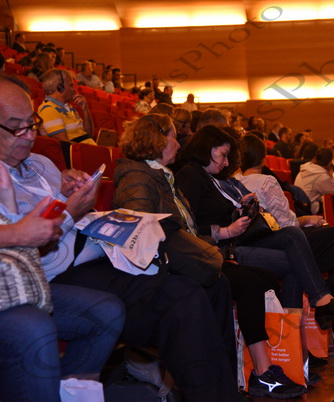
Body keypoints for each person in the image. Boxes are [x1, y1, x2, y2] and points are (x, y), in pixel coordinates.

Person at [1, 74, 239, 401]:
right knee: (182, 297)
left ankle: (220, 391)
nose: (30, 135)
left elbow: (63, 210)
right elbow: (31, 251)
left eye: (32, 124)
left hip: (97, 252)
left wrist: (67, 191)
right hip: (57, 272)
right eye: (17, 127)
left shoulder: (40, 164)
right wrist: (71, 212)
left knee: (200, 289)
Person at [112, 115, 306, 398]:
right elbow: (145, 234)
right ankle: (237, 378)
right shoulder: (139, 177)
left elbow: (182, 231)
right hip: (166, 268)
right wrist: (212, 249)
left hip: (186, 257)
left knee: (243, 280)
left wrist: (208, 250)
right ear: (157, 139)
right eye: (173, 137)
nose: (179, 144)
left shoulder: (161, 176)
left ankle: (230, 379)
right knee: (234, 282)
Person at [176, 125, 334, 326]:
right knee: (296, 260)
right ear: (208, 149)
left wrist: (242, 206)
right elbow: (188, 225)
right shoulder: (191, 175)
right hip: (224, 247)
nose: (227, 162)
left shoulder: (214, 178)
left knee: (292, 234)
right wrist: (226, 230)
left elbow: (219, 212)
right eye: (223, 155)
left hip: (241, 238)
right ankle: (305, 320)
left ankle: (314, 311)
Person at [237, 134, 334, 351]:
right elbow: (287, 223)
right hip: (282, 241)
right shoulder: (265, 180)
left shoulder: (235, 182)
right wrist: (307, 219)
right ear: (262, 157)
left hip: (265, 243)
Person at [0, 160, 125, 402]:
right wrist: (20, 231)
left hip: (19, 280)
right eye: (16, 129)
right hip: (21, 283)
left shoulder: (37, 163)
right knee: (34, 327)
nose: (27, 139)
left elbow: (24, 242)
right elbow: (32, 244)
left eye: (31, 134)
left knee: (108, 311)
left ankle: (67, 395)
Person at [38, 69, 96, 144]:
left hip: (88, 148)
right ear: (60, 87)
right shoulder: (48, 109)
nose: (74, 90)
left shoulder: (69, 107)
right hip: (80, 150)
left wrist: (85, 110)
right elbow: (65, 144)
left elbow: (89, 135)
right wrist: (92, 148)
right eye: (71, 85)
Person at [294, 146, 334, 214]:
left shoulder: (305, 169)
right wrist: (331, 177)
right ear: (330, 162)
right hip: (309, 208)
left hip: (298, 205)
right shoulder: (323, 177)